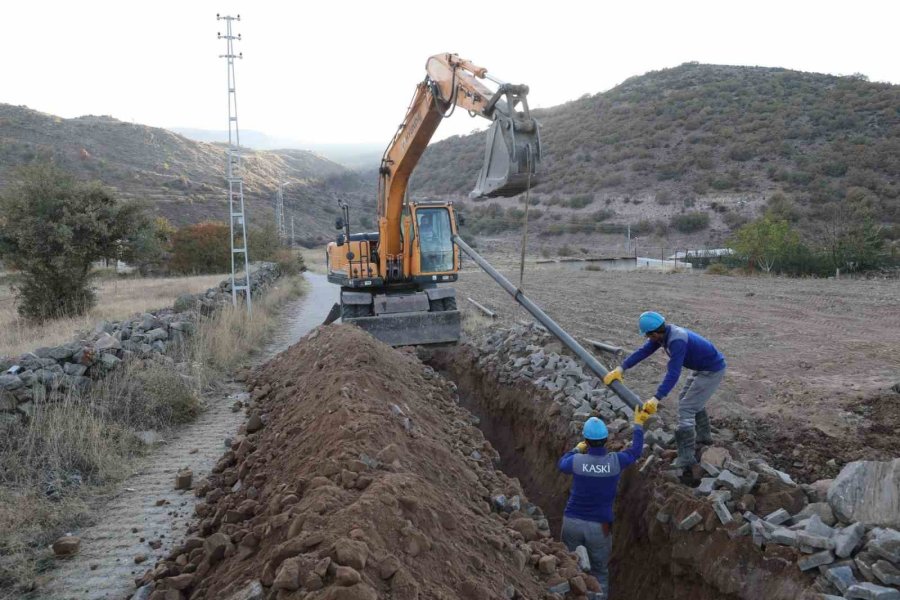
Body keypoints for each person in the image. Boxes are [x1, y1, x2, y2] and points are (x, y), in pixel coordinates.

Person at [603, 311, 726, 468]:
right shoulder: (663, 335)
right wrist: (621, 368)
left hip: (712, 370)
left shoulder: (677, 340)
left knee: (687, 407)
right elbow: (643, 351)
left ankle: (686, 457)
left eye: (648, 336)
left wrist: (656, 398)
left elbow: (673, 373)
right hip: (701, 368)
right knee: (687, 400)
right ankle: (703, 437)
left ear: (654, 333)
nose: (648, 339)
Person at [557, 410, 648, 598]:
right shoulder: (615, 461)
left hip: (572, 521)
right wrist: (638, 425)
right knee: (599, 572)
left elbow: (561, 463)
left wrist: (577, 448)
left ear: (586, 441)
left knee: (569, 565)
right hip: (600, 527)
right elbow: (636, 451)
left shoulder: (577, 461)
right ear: (606, 440)